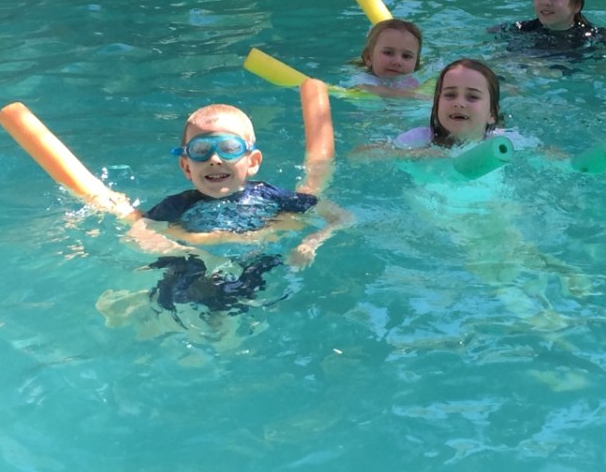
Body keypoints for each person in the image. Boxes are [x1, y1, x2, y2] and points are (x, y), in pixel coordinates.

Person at [126, 103, 349, 319]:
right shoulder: (178, 204)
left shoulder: (269, 195)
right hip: (191, 273)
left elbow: (341, 218)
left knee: (240, 311)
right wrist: (198, 255)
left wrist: (310, 242)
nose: (214, 159)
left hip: (250, 272)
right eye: (201, 150)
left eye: (229, 148)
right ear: (186, 166)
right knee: (168, 303)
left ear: (252, 161)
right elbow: (139, 233)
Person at [393, 58, 535, 149]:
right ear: (436, 105)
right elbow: (375, 154)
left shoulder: (504, 141)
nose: (459, 103)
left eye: (472, 97)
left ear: (492, 113)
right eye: (450, 95)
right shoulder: (418, 140)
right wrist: (417, 156)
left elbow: (547, 155)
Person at [350, 18, 425, 98]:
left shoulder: (417, 81)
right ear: (369, 58)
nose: (397, 61)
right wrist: (414, 96)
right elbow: (366, 89)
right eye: (388, 53)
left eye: (406, 56)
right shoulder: (363, 80)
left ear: (416, 63)